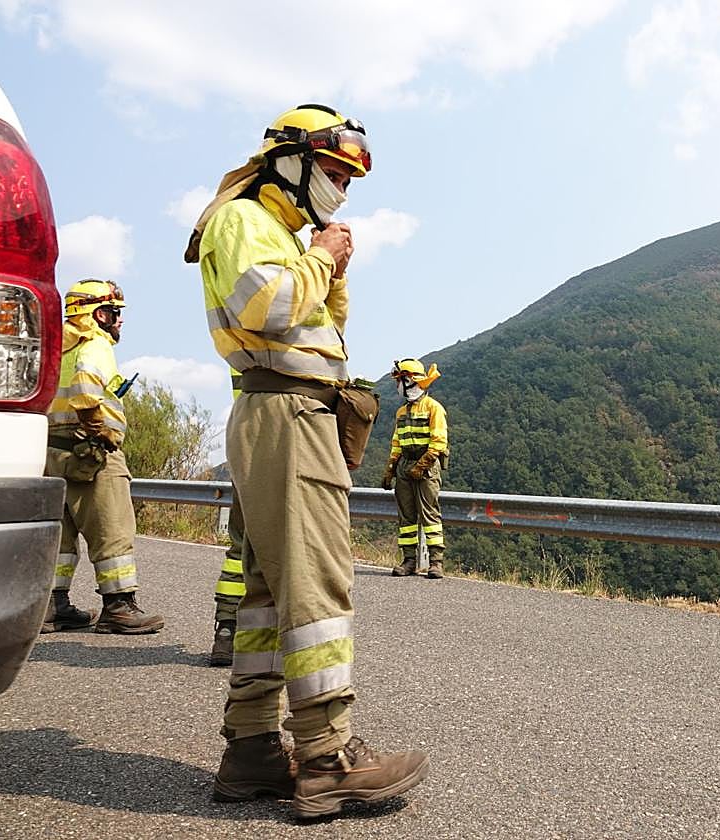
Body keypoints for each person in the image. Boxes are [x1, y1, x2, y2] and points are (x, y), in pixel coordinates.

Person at [187, 103, 429, 818]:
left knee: (268, 592)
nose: (341, 190)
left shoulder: (281, 232)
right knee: (318, 584)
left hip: (290, 412)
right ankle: (328, 758)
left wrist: (332, 270)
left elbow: (322, 326)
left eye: (349, 180)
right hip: (287, 414)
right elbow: (269, 309)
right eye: (333, 172)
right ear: (289, 161)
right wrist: (322, 256)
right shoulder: (244, 220)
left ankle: (253, 750)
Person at [42, 279, 166, 634]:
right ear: (98, 315)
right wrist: (99, 430)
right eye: (114, 312)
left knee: (60, 534)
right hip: (92, 453)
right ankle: (119, 608)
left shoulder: (55, 348)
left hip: (51, 452)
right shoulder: (95, 343)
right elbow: (85, 391)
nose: (119, 320)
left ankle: (53, 607)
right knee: (113, 530)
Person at [382, 358, 449, 579]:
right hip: (404, 466)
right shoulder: (401, 412)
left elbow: (439, 442)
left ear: (410, 380)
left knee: (430, 514)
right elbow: (397, 443)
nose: (397, 385)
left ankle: (436, 562)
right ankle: (409, 561)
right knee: (406, 517)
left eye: (399, 380)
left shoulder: (433, 408)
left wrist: (421, 466)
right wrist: (390, 469)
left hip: (427, 467)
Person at [208, 370, 244, 667]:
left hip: (247, 439)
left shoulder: (241, 343)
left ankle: (227, 630)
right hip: (295, 439)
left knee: (241, 549)